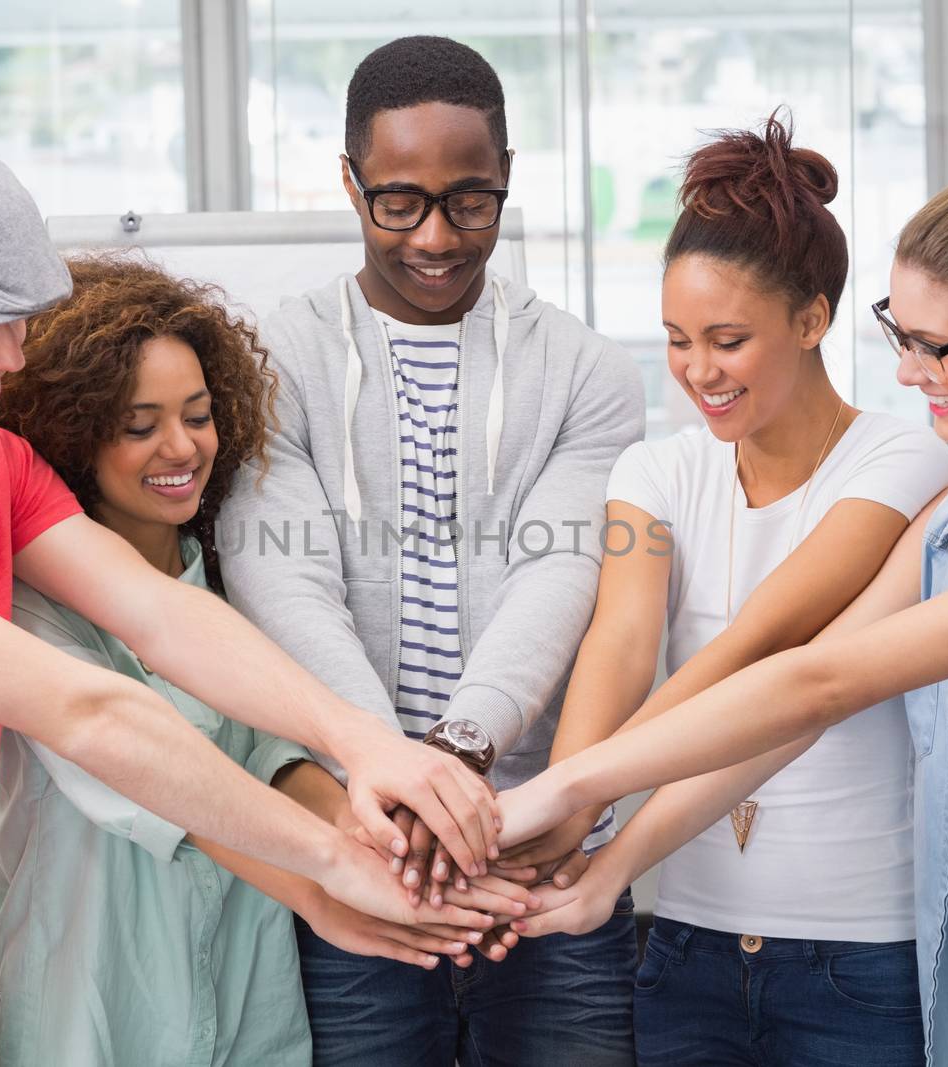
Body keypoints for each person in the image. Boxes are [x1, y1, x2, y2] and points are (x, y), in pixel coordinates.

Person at [0, 116, 499, 1067]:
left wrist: (359, 739)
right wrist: (324, 861)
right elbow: (91, 708)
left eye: (15, 319)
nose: (10, 357)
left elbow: (166, 615)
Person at [501, 129, 948, 1067]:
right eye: (901, 332)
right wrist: (609, 870)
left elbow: (821, 680)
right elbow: (791, 716)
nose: (903, 370)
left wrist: (570, 785)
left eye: (932, 345)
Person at [216, 35, 647, 1067]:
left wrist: (455, 762)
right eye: (398, 200)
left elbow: (561, 573)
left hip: (540, 845)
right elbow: (282, 577)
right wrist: (390, 776)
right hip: (357, 842)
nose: (437, 236)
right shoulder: (269, 360)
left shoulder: (589, 371)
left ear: (507, 182)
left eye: (471, 200)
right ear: (350, 183)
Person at [0, 256, 530, 1066]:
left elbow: (270, 758)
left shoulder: (231, 583)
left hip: (247, 1000)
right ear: (73, 430)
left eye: (198, 415)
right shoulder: (27, 609)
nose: (182, 446)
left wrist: (393, 851)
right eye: (140, 425)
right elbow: (150, 778)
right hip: (91, 1005)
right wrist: (322, 882)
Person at [499, 115, 948, 1067]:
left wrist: (586, 795)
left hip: (862, 956)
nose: (698, 371)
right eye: (675, 341)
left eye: (727, 339)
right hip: (688, 946)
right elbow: (619, 642)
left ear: (813, 320)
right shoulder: (649, 471)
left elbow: (770, 639)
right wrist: (560, 806)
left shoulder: (906, 457)